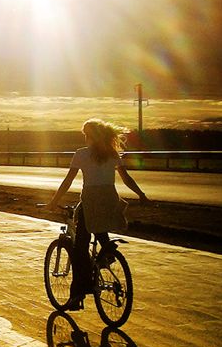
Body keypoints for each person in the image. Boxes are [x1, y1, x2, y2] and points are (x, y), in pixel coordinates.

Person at [46, 118, 148, 310]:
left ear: (90, 136)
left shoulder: (81, 154)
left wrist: (54, 202)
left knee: (79, 249)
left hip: (91, 202)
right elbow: (126, 179)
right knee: (97, 225)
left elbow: (68, 181)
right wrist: (141, 195)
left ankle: (78, 294)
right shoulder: (112, 155)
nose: (84, 138)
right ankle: (106, 253)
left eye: (85, 134)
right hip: (109, 201)